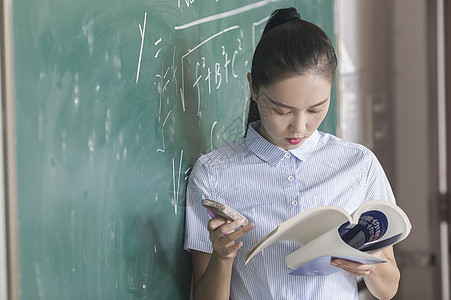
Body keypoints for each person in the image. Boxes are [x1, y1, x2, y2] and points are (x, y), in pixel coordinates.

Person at [184, 7, 400, 300]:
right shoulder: (213, 173)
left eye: (315, 109)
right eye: (281, 110)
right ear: (253, 88)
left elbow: (389, 289)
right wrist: (223, 257)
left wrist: (369, 267)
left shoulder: (359, 165)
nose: (299, 127)